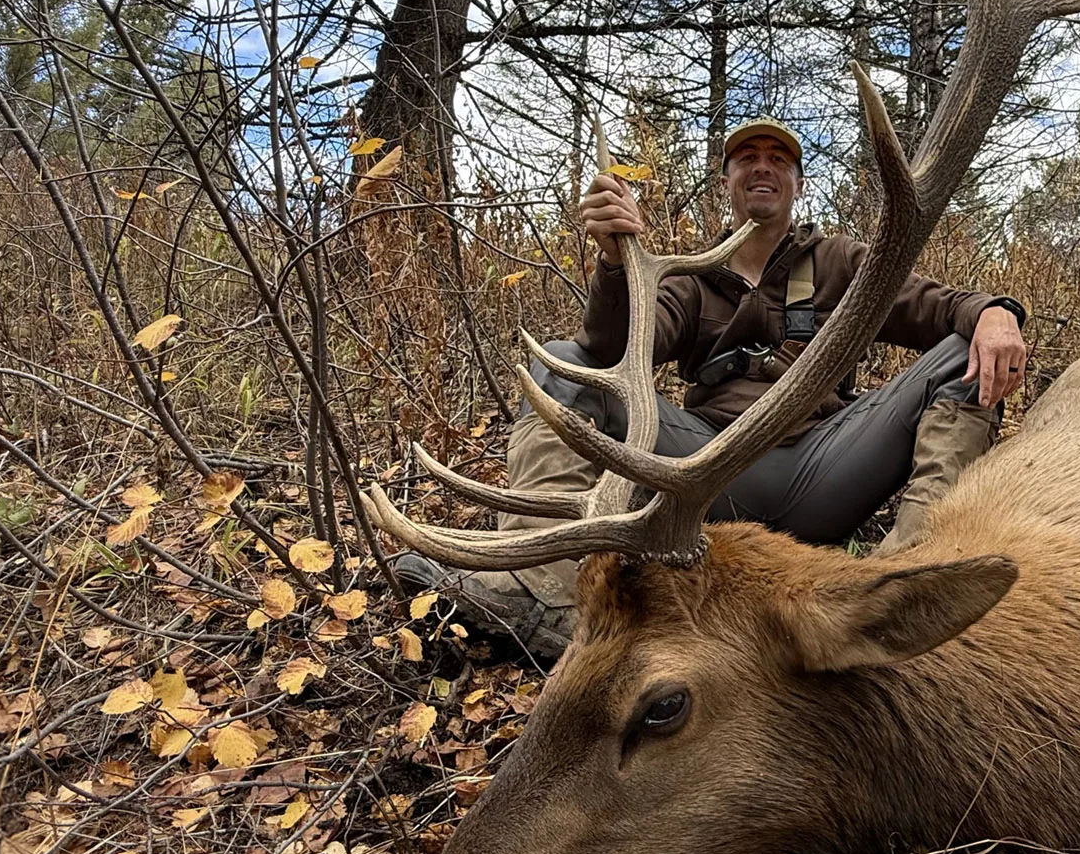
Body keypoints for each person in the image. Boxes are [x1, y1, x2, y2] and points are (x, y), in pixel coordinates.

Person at [394, 117, 1029, 648]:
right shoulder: (688, 278)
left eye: (778, 158)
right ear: (726, 182)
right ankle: (541, 590)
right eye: (747, 158)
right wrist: (615, 263)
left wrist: (994, 312)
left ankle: (914, 577)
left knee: (960, 353)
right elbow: (610, 350)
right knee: (566, 363)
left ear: (797, 182)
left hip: (824, 466)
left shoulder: (841, 261)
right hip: (708, 471)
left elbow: (940, 307)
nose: (762, 167)